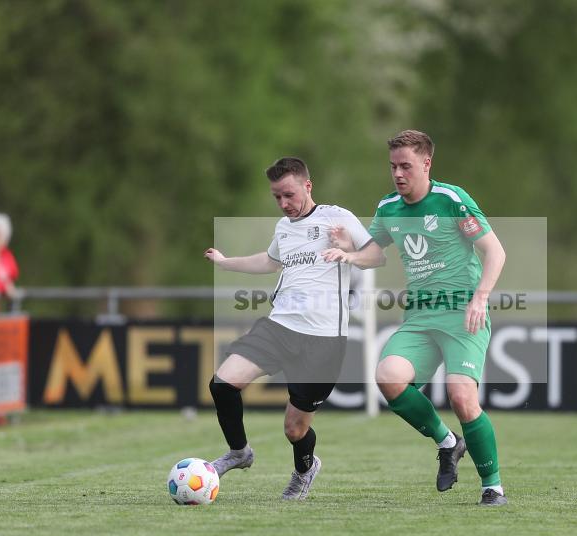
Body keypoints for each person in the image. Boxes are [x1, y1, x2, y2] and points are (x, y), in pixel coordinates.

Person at [322, 130, 509, 506]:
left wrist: (480, 298)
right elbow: (376, 254)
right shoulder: (389, 207)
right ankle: (448, 442)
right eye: (393, 166)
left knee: (461, 396)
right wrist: (350, 253)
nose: (398, 174)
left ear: (426, 164)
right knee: (388, 377)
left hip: (461, 315)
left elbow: (495, 252)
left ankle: (493, 486)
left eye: (406, 165)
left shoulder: (451, 200)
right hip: (421, 317)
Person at [205, 157, 373, 500]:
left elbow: (376, 256)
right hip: (279, 326)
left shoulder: (337, 217)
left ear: (307, 186)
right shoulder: (284, 227)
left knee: (294, 429)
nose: (284, 204)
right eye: (276, 197)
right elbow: (269, 261)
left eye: (289, 195)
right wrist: (226, 263)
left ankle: (304, 469)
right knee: (222, 384)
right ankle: (239, 452)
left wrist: (348, 251)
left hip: (323, 339)